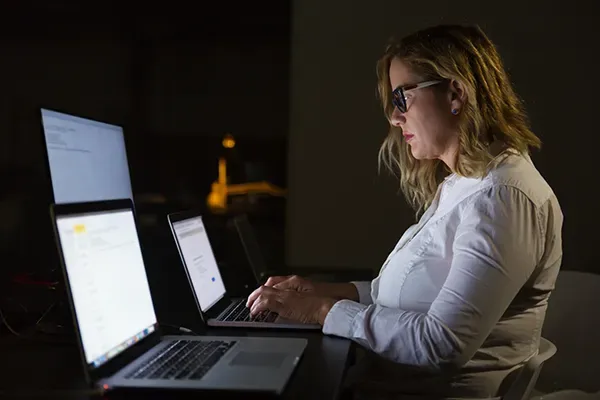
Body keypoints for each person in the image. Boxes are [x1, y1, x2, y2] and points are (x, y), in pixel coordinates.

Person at [246, 24, 563, 399]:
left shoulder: (503, 199)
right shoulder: (464, 183)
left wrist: (320, 310)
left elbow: (440, 344)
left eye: (402, 99)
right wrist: (321, 292)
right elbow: (403, 297)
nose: (395, 119)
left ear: (455, 94)